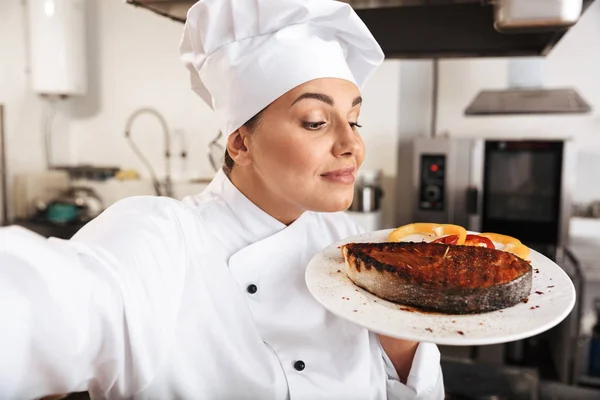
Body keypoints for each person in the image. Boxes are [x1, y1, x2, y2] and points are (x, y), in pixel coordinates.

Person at [0, 0, 444, 398]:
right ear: (240, 144)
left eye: (355, 120)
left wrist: (402, 327)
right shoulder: (159, 237)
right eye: (314, 121)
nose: (352, 145)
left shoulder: (354, 247)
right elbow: (43, 308)